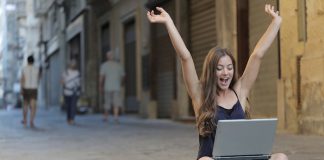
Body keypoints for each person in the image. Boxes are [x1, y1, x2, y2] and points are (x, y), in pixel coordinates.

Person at [147, 5, 288, 160]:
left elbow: (257, 55)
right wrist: (168, 22)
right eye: (219, 68)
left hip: (242, 157)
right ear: (211, 71)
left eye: (229, 67)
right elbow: (185, 57)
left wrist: (276, 23)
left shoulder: (239, 91)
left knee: (280, 157)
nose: (225, 73)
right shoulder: (199, 95)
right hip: (213, 159)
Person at [99, 51, 125, 123]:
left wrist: (100, 86)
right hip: (116, 86)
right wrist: (121, 83)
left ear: (107, 57)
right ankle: (116, 117)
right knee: (116, 102)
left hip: (108, 87)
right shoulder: (119, 65)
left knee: (107, 102)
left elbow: (102, 77)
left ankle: (106, 117)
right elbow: (123, 76)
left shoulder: (104, 65)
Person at [20, 55, 40, 128]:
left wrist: (21, 89)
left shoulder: (24, 69)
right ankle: (31, 121)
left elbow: (22, 79)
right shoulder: (36, 69)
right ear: (33, 61)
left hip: (26, 88)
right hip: (34, 89)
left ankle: (25, 121)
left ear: (27, 61)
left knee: (25, 105)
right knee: (33, 106)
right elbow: (38, 78)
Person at [61, 59, 80, 125]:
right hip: (67, 91)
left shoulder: (77, 72)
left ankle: (72, 119)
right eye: (72, 63)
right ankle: (68, 119)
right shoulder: (65, 72)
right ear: (69, 65)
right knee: (68, 106)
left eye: (74, 64)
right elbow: (62, 81)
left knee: (73, 106)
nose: (73, 65)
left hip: (74, 92)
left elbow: (78, 82)